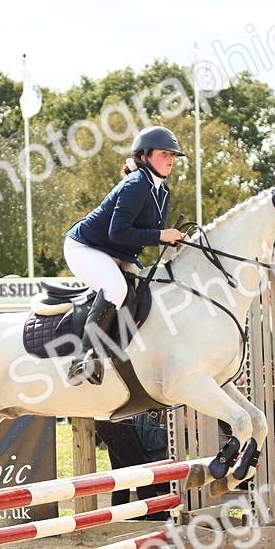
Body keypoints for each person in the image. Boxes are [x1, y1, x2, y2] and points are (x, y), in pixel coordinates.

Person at [62, 125, 186, 386]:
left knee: (148, 288)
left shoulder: (162, 191)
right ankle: (82, 357)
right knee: (115, 288)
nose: (171, 159)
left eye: (172, 155)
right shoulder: (136, 185)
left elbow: (146, 232)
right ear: (144, 156)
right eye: (164, 154)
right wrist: (161, 235)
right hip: (85, 247)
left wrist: (173, 238)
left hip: (114, 253)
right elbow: (118, 232)